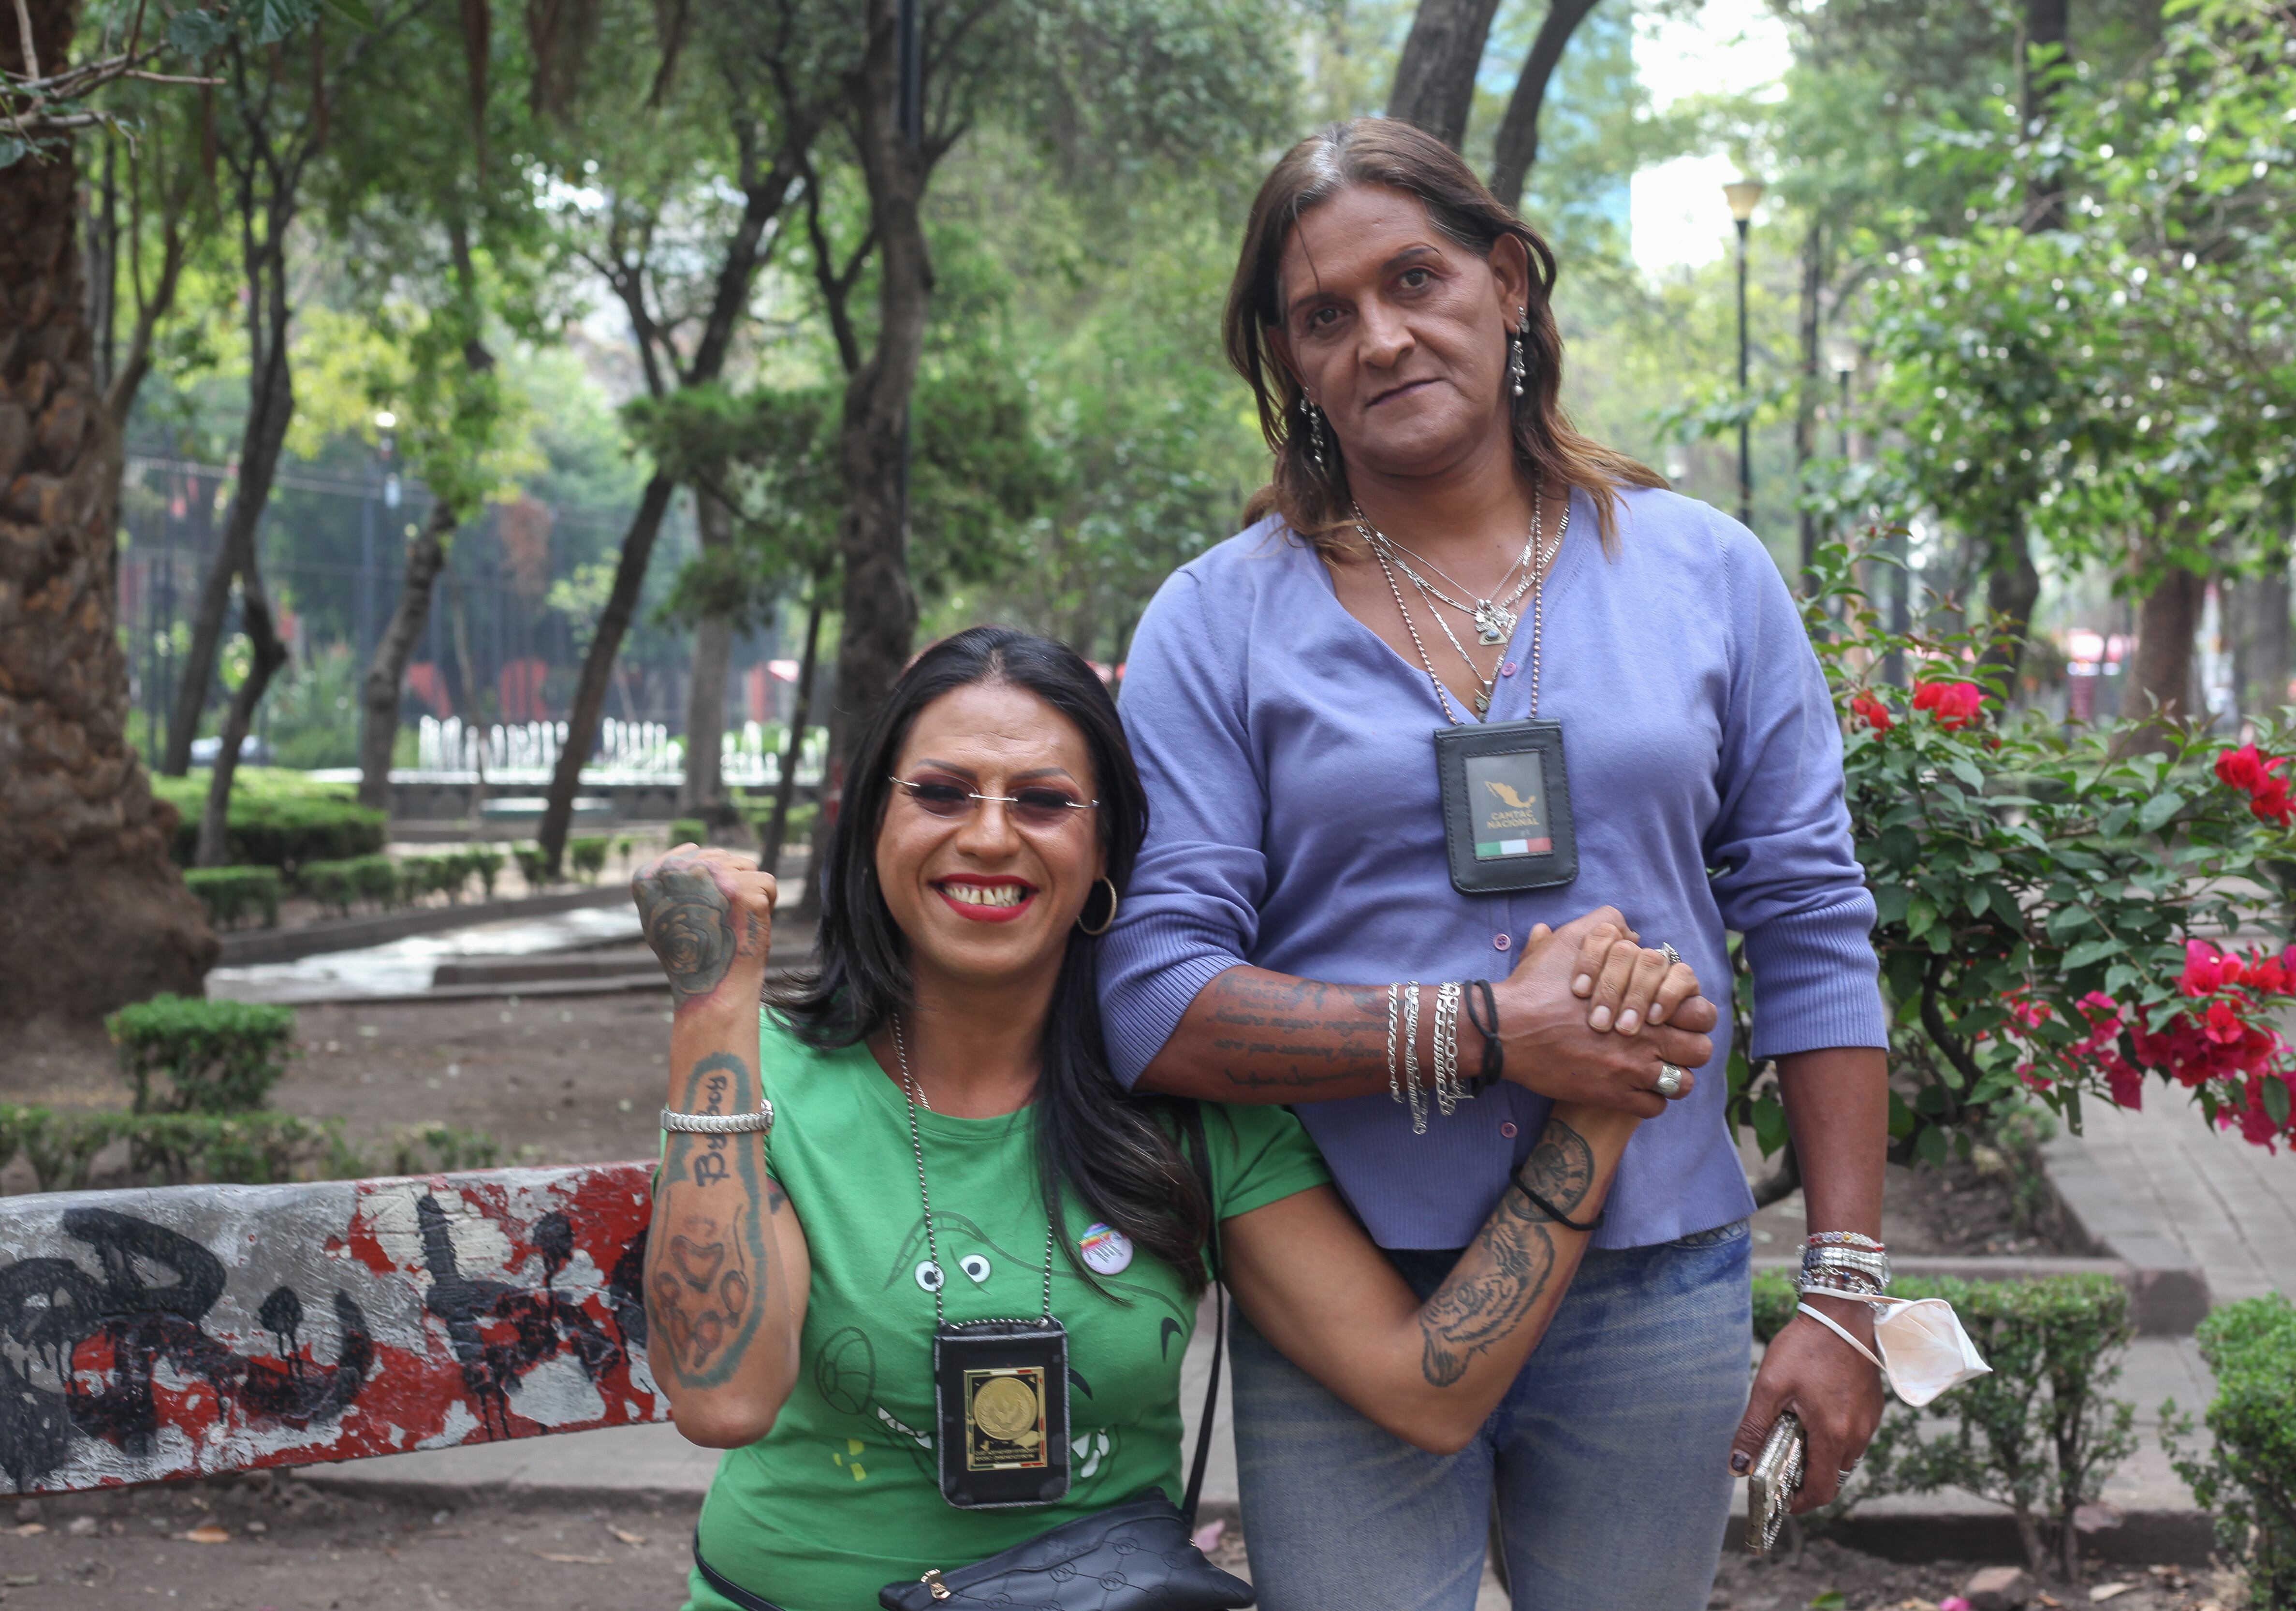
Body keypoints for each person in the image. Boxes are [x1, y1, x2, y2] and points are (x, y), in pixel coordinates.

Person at [1095, 118, 1894, 1611]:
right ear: (1289, 358)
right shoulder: (1222, 620)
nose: (1382, 337)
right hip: (1344, 1278)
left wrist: (1844, 1281)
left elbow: (1811, 917)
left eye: (1416, 278)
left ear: (1510, 282)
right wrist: (1485, 1033)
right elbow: (1153, 993)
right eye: (1325, 315)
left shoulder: (1704, 571)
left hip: (1658, 1278)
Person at [633, 624, 1661, 1611]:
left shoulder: (1183, 1107)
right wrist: (713, 1003)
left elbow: (1427, 1386)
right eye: (941, 792)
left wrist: (1601, 1103)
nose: (988, 833)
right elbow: (721, 1398)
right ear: (873, 827)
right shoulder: (758, 1075)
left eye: (1042, 801)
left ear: (1105, 852)